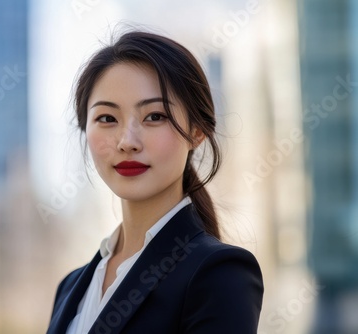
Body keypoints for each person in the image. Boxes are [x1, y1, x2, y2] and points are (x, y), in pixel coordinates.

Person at [47, 30, 263, 334]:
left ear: (197, 132)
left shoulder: (219, 274)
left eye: (154, 116)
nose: (127, 142)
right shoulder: (69, 288)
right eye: (107, 118)